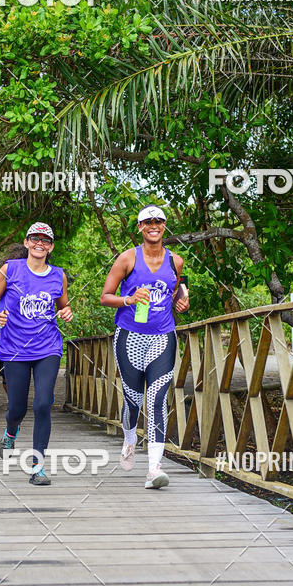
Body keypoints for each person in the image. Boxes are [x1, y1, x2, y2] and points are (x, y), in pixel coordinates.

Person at [100, 205, 189, 489]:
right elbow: (105, 296)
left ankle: (154, 468)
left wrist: (182, 299)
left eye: (158, 221)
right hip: (130, 336)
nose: (154, 225)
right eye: (148, 221)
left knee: (158, 399)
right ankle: (129, 440)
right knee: (133, 400)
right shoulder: (127, 258)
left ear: (164, 226)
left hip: (163, 336)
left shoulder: (176, 260)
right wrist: (129, 299)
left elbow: (177, 287)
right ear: (140, 227)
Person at [0, 222, 73, 486]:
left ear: (51, 247)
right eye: (35, 238)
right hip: (14, 348)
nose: (39, 243)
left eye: (45, 240)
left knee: (43, 403)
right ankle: (11, 432)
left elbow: (64, 305)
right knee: (17, 408)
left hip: (48, 347)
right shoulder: (10, 269)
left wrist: (66, 312)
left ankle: (38, 467)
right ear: (26, 243)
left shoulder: (58, 275)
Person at [0, 243, 30, 394]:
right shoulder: (8, 278)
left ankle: (45, 397)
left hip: (36, 341)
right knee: (7, 377)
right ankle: (13, 398)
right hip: (10, 341)